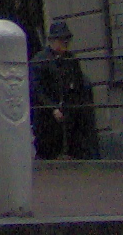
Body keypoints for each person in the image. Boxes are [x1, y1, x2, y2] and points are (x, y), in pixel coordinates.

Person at [30, 19, 99, 160]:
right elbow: (37, 89)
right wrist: (52, 107)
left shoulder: (70, 60)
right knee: (48, 148)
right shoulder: (40, 61)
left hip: (68, 112)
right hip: (47, 116)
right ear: (52, 41)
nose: (65, 43)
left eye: (67, 40)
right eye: (62, 40)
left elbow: (79, 83)